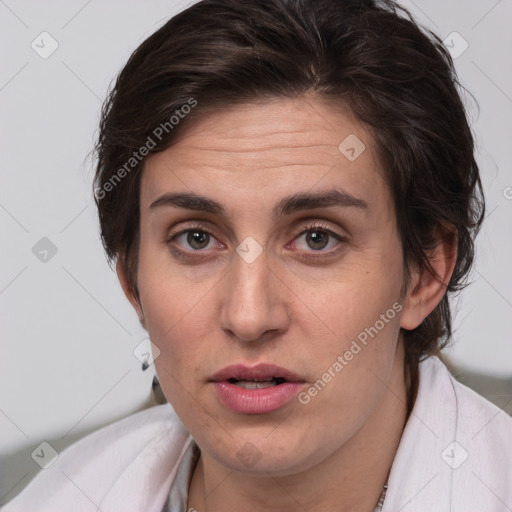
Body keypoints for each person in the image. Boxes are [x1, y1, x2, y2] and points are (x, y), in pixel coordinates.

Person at [2, 0, 511, 510]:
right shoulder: (33, 491)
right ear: (131, 281)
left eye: (317, 238)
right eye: (195, 238)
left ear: (425, 273)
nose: (249, 317)